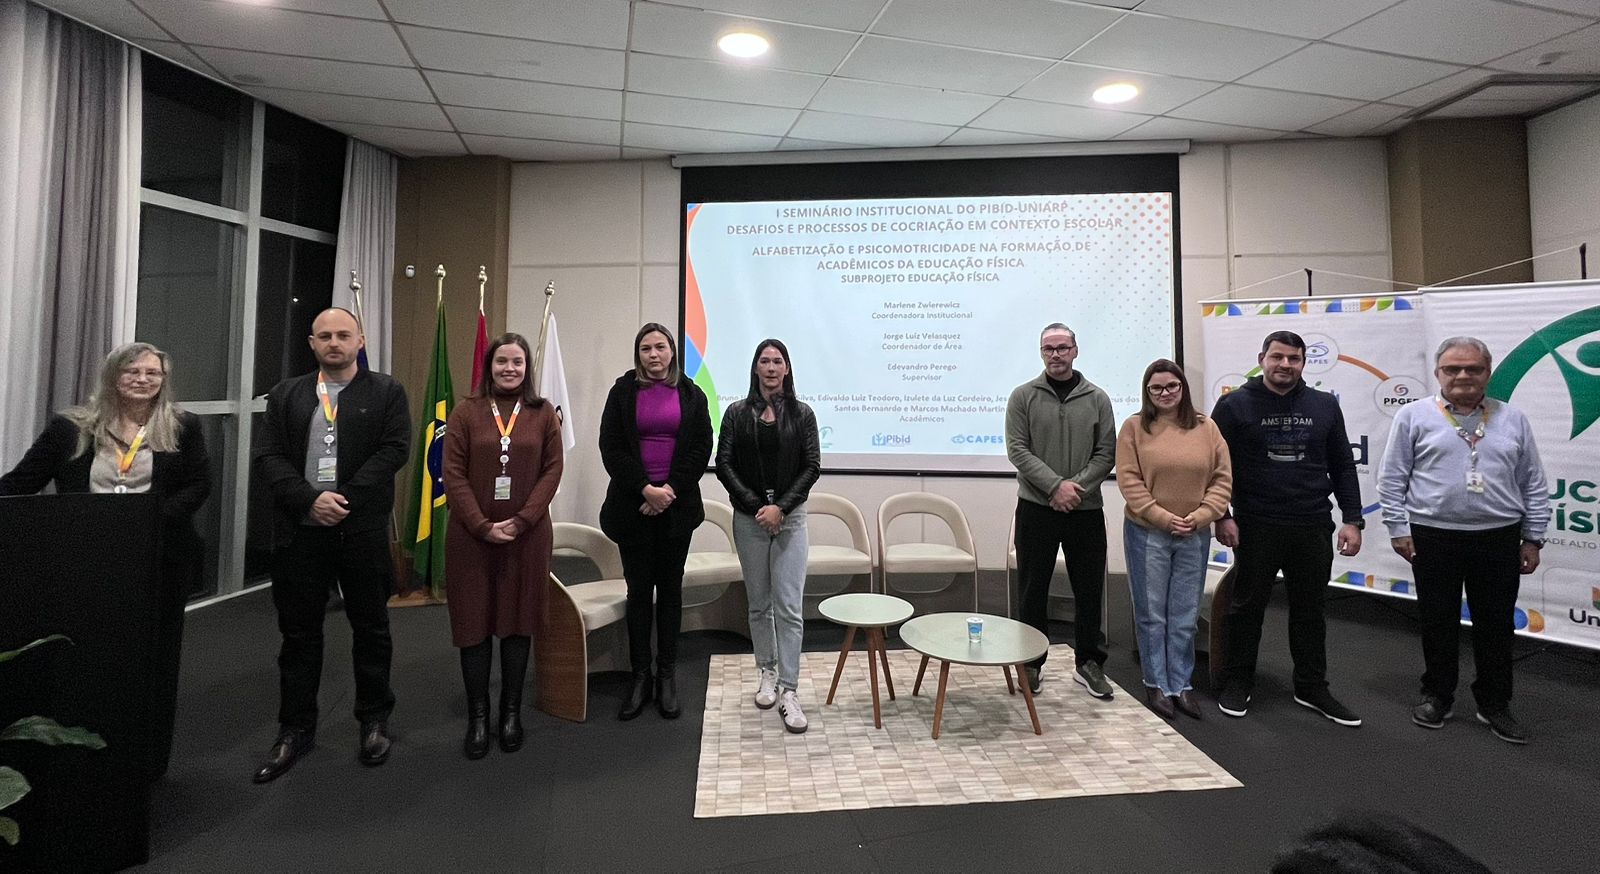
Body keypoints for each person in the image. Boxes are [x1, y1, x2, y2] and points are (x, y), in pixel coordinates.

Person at [1, 342, 209, 778]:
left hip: (157, 562)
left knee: (154, 662)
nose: (142, 380)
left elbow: (198, 485)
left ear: (163, 381)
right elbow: (23, 480)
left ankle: (148, 761)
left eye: (152, 373)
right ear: (113, 376)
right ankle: (85, 754)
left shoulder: (182, 426)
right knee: (88, 660)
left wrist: (150, 519)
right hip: (84, 564)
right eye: (132, 372)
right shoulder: (71, 428)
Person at [251, 307, 410, 782]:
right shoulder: (287, 394)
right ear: (312, 343)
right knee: (299, 635)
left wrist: (345, 499)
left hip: (360, 529)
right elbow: (269, 456)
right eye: (325, 336)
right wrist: (310, 500)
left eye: (343, 335)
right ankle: (295, 728)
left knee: (371, 628)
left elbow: (394, 450)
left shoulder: (386, 392)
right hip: (301, 530)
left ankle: (374, 720)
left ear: (360, 341)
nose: (334, 342)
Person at [1377, 337, 1548, 745]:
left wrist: (1533, 537)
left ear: (1487, 372)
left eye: (1473, 368)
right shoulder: (1413, 416)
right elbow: (1392, 477)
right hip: (1433, 537)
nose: (1463, 376)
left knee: (1496, 625)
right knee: (1438, 621)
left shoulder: (1512, 418)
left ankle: (1494, 703)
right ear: (1438, 373)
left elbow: (1533, 481)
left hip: (1498, 538)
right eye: (1452, 369)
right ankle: (1438, 695)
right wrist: (1398, 529)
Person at [1211, 330, 1365, 726]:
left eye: (1293, 359)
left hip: (1312, 522)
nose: (1285, 365)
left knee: (1310, 610)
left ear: (1303, 363)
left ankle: (1311, 686)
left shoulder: (1324, 405)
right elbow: (1213, 465)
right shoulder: (1233, 405)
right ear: (1261, 359)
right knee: (1247, 608)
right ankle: (1238, 680)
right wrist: (1222, 514)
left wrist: (1352, 519)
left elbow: (1342, 464)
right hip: (1256, 523)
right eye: (1277, 357)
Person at [442, 332, 563, 758]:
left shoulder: (543, 413)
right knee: (473, 626)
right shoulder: (466, 412)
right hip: (470, 539)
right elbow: (452, 473)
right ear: (489, 366)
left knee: (518, 623)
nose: (509, 369)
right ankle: (478, 718)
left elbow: (553, 470)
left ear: (527, 368)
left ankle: (510, 714)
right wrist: (481, 525)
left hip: (526, 539)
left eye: (517, 362)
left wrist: (523, 519)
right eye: (501, 361)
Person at [598, 323, 713, 721]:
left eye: (660, 347)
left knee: (670, 592)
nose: (654, 355)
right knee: (638, 593)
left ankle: (666, 675)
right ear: (639, 354)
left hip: (676, 509)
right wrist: (646, 489)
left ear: (672, 352)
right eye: (646, 348)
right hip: (633, 507)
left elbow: (701, 447)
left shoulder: (692, 394)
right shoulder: (622, 392)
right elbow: (610, 447)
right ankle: (640, 676)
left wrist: (668, 491)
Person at [1005, 323, 1117, 699]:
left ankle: (1089, 664)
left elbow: (1106, 452)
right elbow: (1017, 450)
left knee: (1089, 589)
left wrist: (1074, 489)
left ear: (1075, 350)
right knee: (1032, 589)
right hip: (1037, 508)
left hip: (1085, 510)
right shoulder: (1023, 396)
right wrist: (1055, 486)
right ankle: (1031, 663)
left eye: (1062, 347)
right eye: (1048, 348)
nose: (1055, 354)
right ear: (1041, 353)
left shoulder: (1098, 398)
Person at [1115, 359, 1232, 719]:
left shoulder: (1206, 427)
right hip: (1148, 532)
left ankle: (1181, 683)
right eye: (1157, 388)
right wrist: (1164, 518)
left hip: (1194, 534)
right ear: (1147, 392)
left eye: (1172, 386)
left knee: (1184, 615)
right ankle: (1156, 683)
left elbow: (1222, 479)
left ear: (1183, 388)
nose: (1165, 393)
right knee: (1152, 614)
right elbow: (1129, 480)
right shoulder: (1134, 427)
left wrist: (1201, 516)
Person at [715, 338, 820, 734]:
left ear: (787, 368)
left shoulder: (803, 414)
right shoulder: (736, 413)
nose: (772, 367)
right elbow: (724, 463)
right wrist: (758, 506)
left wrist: (781, 509)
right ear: (755, 368)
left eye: (778, 361)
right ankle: (767, 672)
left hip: (790, 520)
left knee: (789, 607)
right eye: (765, 361)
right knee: (759, 605)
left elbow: (812, 466)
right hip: (750, 520)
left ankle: (790, 690)